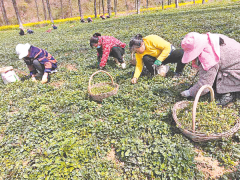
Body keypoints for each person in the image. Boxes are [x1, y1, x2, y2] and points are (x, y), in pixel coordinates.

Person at [180, 32, 240, 106]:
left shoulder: (209, 58)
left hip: (236, 71)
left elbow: (205, 85)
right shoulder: (211, 39)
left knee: (215, 80)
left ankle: (229, 93)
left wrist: (189, 92)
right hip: (234, 62)